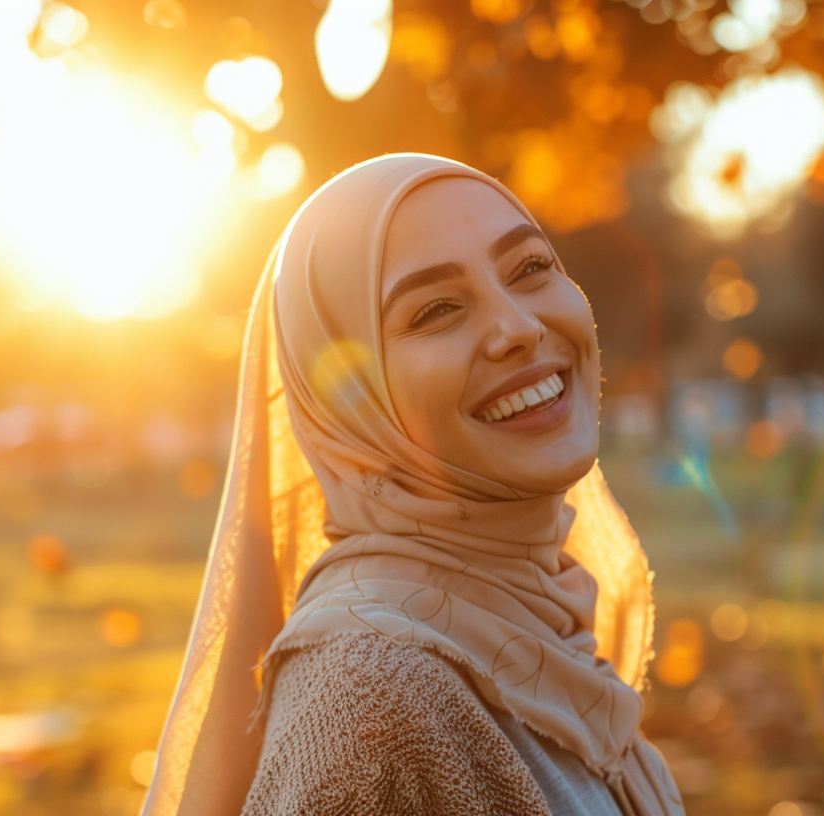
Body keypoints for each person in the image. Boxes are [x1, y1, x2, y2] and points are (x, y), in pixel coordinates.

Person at [142, 154, 684, 816]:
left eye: (531, 268)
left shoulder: (538, 621)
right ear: (350, 405)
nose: (518, 327)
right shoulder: (369, 694)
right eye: (435, 311)